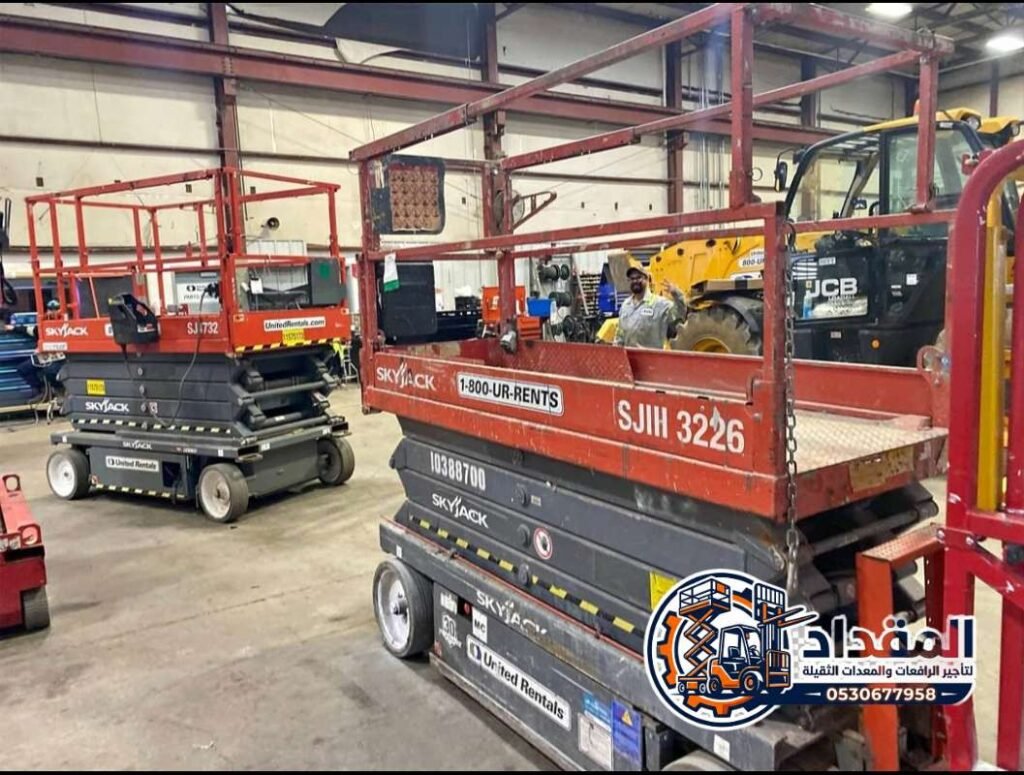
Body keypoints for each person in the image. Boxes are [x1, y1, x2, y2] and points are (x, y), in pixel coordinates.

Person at [613, 259, 687, 349]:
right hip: (628, 356)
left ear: (646, 279)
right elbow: (620, 333)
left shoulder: (659, 304)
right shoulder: (625, 305)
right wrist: (616, 349)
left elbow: (680, 313)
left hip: (650, 356)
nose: (635, 281)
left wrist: (677, 294)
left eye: (638, 278)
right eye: (632, 279)